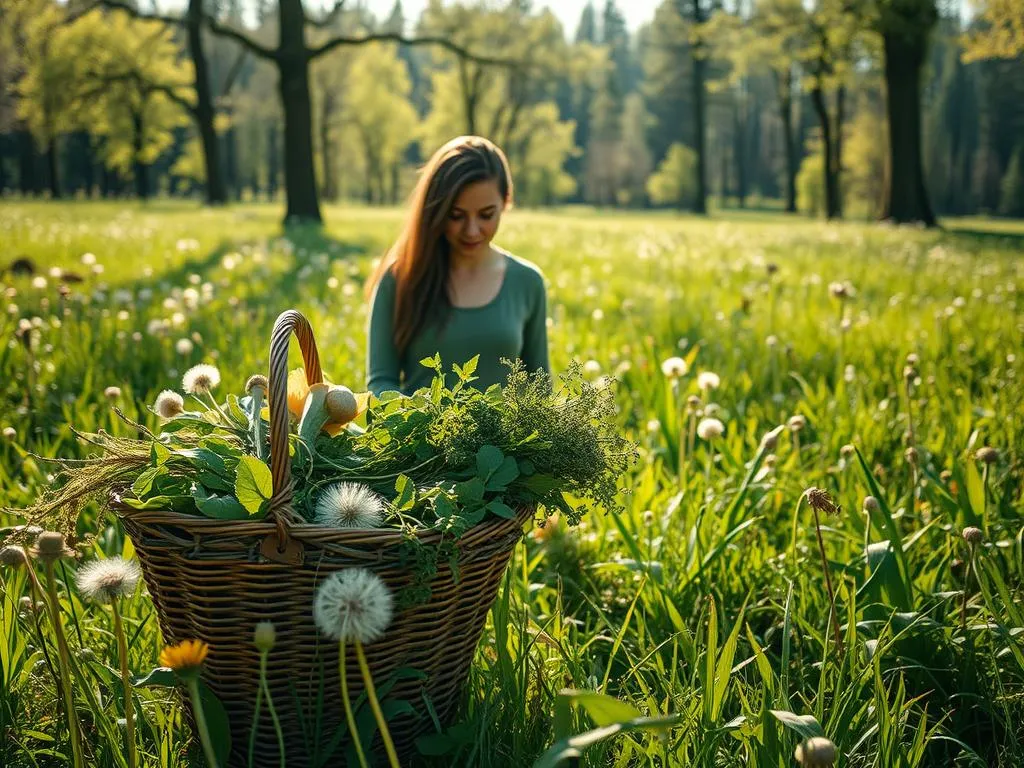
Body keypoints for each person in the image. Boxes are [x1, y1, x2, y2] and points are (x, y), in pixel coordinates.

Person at [365, 135, 550, 396]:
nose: (471, 231)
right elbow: (381, 382)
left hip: (505, 438)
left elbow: (539, 388)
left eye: (486, 215)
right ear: (435, 211)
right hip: (421, 436)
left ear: (506, 202)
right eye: (456, 215)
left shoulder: (528, 282)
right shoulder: (400, 278)